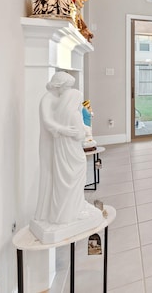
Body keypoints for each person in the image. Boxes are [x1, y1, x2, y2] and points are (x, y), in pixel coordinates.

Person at [34, 71, 78, 222]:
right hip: (49, 141)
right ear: (59, 85)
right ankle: (46, 212)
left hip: (59, 140)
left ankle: (61, 208)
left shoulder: (59, 98)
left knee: (59, 175)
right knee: (49, 174)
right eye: (67, 87)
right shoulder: (47, 99)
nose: (67, 91)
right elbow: (47, 121)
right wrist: (63, 130)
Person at [48, 88, 89, 224]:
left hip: (61, 151)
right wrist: (84, 131)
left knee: (65, 180)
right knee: (75, 179)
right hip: (74, 150)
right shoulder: (74, 115)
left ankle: (65, 212)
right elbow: (79, 135)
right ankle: (75, 209)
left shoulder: (57, 113)